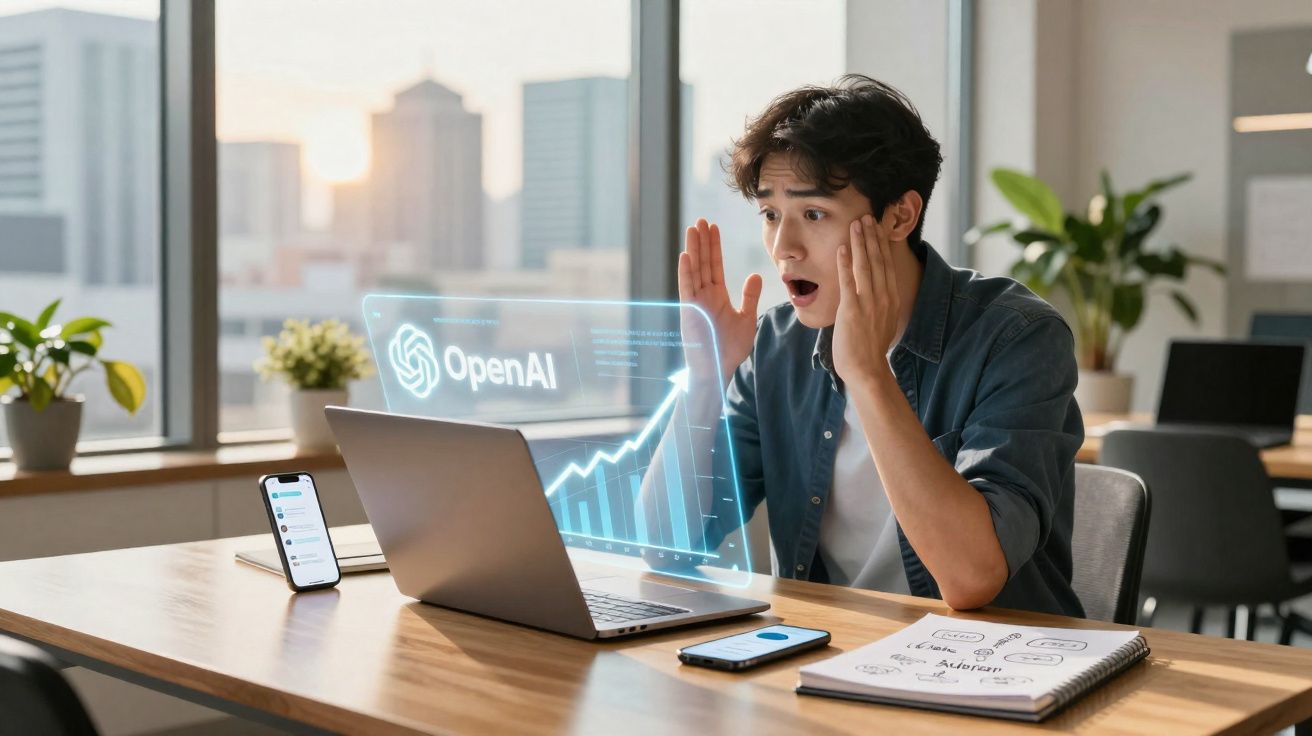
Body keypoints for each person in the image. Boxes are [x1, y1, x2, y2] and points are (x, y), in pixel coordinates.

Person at [676, 75, 1084, 615]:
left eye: (813, 214)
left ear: (899, 216)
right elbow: (668, 542)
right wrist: (703, 382)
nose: (783, 248)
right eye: (771, 215)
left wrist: (867, 374)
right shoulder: (778, 346)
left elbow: (970, 577)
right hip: (823, 659)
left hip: (988, 669)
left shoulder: (1016, 337)